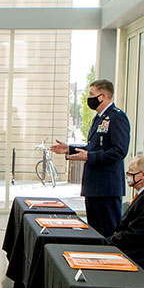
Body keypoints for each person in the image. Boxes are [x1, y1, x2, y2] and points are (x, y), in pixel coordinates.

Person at [50, 79, 130, 238]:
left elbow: (119, 151)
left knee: (107, 233)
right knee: (94, 233)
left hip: (107, 188)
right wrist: (70, 149)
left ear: (103, 96)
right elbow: (94, 147)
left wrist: (90, 156)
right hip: (94, 187)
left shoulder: (117, 117)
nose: (89, 98)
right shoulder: (98, 118)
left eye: (92, 94)